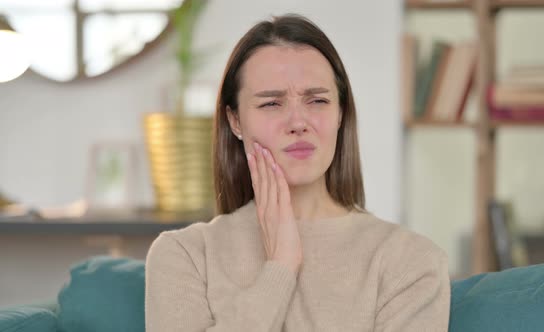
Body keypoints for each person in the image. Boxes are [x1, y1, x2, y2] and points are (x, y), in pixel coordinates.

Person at [145, 14, 450, 332]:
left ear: (340, 113)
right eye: (271, 104)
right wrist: (281, 267)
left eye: (317, 100)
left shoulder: (411, 261)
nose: (298, 122)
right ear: (235, 121)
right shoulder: (185, 255)